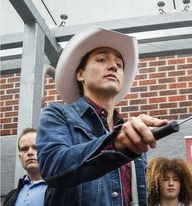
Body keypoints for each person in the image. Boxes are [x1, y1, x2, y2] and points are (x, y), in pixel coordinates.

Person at [36, 26, 168, 206]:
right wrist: (114, 144)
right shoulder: (59, 114)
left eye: (119, 65)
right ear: (80, 74)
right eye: (101, 59)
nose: (113, 66)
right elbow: (53, 166)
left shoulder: (130, 132)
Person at [3, 128, 47, 206]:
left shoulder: (63, 190)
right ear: (20, 157)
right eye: (24, 149)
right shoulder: (10, 197)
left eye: (35, 147)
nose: (30, 152)